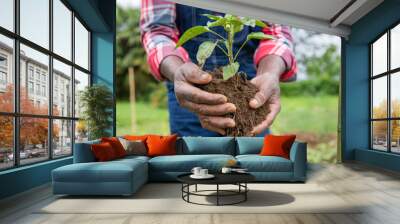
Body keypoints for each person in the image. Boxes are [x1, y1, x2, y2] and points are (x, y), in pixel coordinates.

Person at [140, 0, 297, 137]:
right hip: (190, 86)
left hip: (250, 85)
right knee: (196, 166)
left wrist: (269, 73)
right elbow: (157, 30)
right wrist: (178, 71)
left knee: (253, 164)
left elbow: (278, 31)